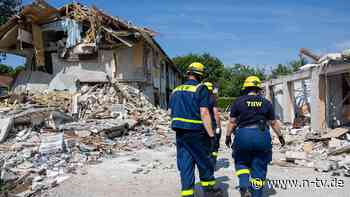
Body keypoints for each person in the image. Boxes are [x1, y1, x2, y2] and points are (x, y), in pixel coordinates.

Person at [225, 76, 285, 197]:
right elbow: (273, 122)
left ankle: (243, 184)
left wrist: (227, 136)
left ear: (246, 88)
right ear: (258, 89)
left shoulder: (238, 101)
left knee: (241, 161)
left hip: (243, 135)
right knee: (259, 167)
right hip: (261, 136)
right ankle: (256, 193)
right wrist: (280, 136)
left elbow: (232, 122)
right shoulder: (266, 103)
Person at [169, 62, 223, 197]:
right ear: (200, 76)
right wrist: (211, 135)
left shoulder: (176, 90)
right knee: (204, 161)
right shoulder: (201, 88)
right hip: (197, 132)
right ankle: (210, 190)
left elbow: (171, 111)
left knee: (185, 163)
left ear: (188, 73)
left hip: (180, 132)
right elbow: (204, 112)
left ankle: (187, 193)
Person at [204, 82, 222, 167]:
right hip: (212, 125)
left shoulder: (198, 98)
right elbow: (216, 114)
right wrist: (219, 127)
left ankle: (205, 162)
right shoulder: (212, 99)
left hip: (202, 125)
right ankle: (213, 161)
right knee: (214, 144)